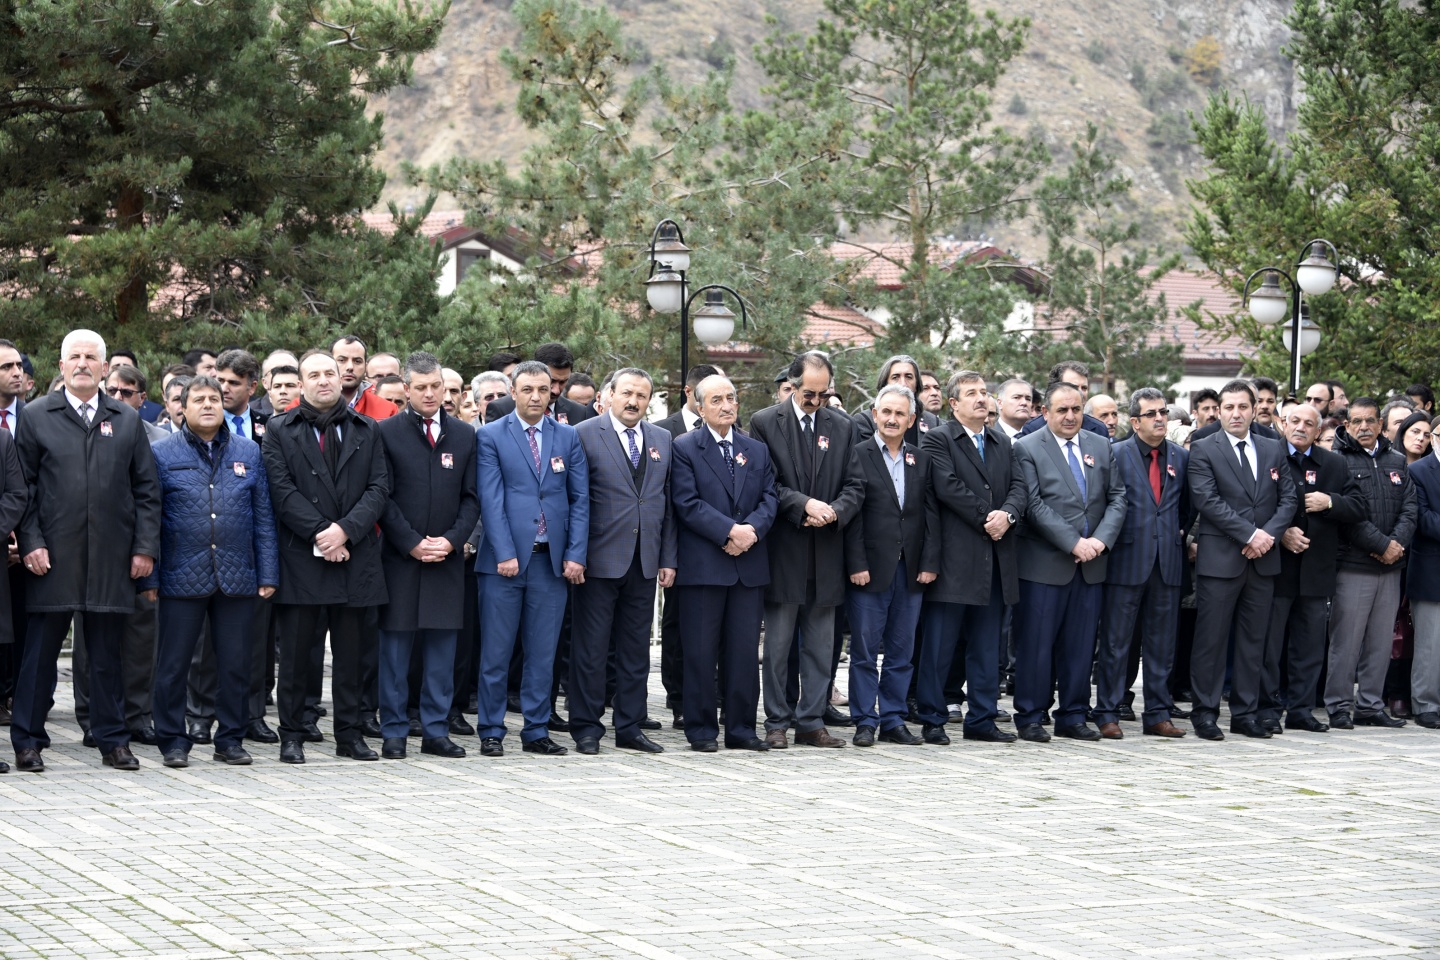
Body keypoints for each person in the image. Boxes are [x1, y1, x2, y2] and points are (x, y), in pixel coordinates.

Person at [11, 329, 161, 773]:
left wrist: (144, 549)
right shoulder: (37, 416)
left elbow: (147, 491)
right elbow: (24, 491)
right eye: (73, 357)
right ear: (61, 367)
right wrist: (32, 543)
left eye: (90, 357)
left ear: (103, 367)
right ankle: (28, 740)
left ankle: (113, 740)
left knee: (107, 656)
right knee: (39, 656)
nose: (81, 363)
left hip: (113, 558)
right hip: (52, 559)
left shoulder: (126, 419)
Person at [263, 350, 391, 763]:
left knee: (354, 657)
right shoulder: (280, 429)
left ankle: (350, 736)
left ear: (342, 379)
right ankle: (293, 734)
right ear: (301, 384)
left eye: (329, 374)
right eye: (313, 374)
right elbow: (281, 492)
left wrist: (344, 532)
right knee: (299, 655)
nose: (323, 381)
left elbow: (378, 488)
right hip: (303, 557)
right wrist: (322, 535)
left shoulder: (367, 428)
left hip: (356, 556)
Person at [143, 376, 278, 767]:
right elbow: (149, 517)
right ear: (181, 408)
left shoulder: (249, 452)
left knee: (236, 664)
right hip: (179, 574)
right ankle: (172, 740)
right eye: (198, 399)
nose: (207, 405)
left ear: (224, 405)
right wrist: (149, 577)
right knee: (173, 665)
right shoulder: (162, 453)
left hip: (236, 574)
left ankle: (231, 739)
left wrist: (267, 573)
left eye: (214, 399)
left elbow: (263, 517)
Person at [749, 352, 864, 749]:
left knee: (820, 646)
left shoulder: (843, 426)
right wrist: (804, 506)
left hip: (828, 549)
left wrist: (833, 511)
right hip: (785, 550)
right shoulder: (765, 422)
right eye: (808, 392)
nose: (815, 400)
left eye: (823, 392)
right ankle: (777, 722)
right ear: (792, 385)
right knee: (778, 647)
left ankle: (812, 721)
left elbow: (856, 484)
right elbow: (765, 484)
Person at [475, 360, 589, 757]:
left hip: (550, 563)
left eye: (543, 389)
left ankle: (536, 730)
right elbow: (490, 499)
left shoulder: (568, 436)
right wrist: (505, 552)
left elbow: (579, 499)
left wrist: (575, 554)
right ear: (514, 391)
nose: (537, 396)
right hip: (502, 564)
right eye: (528, 389)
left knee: (543, 653)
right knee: (497, 652)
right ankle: (491, 729)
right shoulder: (491, 436)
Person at [375, 353, 480, 760]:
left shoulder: (465, 435)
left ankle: (436, 730)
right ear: (406, 389)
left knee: (441, 650)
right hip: (401, 558)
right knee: (396, 649)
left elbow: (472, 498)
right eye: (421, 387)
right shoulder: (384, 432)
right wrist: (411, 542)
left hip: (447, 559)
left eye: (436, 385)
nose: (431, 393)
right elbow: (381, 495)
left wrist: (452, 541)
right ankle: (395, 732)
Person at [1011, 381, 1127, 742]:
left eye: (1076, 409)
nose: (1070, 416)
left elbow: (1118, 498)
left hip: (1091, 564)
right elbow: (1032, 504)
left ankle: (1073, 714)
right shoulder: (1027, 448)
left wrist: (1100, 542)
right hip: (1045, 565)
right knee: (1036, 645)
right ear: (1044, 412)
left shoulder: (1101, 446)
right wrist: (1073, 542)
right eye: (1062, 409)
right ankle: (1030, 715)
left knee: (1080, 647)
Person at [569, 368, 677, 754]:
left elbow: (666, 504)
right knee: (591, 649)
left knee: (636, 651)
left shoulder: (662, 438)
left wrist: (668, 558)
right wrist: (575, 555)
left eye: (642, 395)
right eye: (627, 393)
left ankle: (630, 725)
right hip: (596, 561)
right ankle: (585, 726)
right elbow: (576, 501)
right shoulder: (582, 435)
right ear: (609, 394)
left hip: (644, 561)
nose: (633, 401)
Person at [670, 374, 778, 752]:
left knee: (744, 653)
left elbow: (770, 498)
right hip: (704, 567)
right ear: (700, 407)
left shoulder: (756, 449)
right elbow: (687, 503)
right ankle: (700, 730)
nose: (726, 405)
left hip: (748, 566)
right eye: (716, 400)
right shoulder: (684, 447)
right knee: (700, 651)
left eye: (731, 398)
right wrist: (730, 531)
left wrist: (750, 531)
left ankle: (742, 729)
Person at [916, 372, 1026, 744]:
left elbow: (1019, 487)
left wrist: (1007, 514)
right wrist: (988, 517)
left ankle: (982, 718)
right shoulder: (938, 439)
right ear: (953, 404)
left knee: (986, 647)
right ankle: (932, 717)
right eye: (972, 394)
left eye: (984, 392)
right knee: (940, 646)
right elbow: (948, 487)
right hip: (953, 561)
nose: (982, 399)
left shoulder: (1001, 442)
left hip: (995, 561)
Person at [1187, 379, 1298, 740]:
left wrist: (1267, 536)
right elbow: (1207, 500)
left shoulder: (1271, 448)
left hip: (1263, 560)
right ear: (1218, 411)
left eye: (1243, 407)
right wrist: (1250, 534)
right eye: (1229, 407)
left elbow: (1288, 499)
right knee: (1211, 641)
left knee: (1254, 641)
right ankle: (1204, 713)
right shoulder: (1204, 447)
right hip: (1221, 560)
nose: (1236, 414)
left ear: (1254, 410)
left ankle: (1245, 713)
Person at [844, 385, 939, 746]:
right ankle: (865, 720)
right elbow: (851, 515)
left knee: (902, 650)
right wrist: (856, 562)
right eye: (886, 412)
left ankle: (894, 719)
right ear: (874, 414)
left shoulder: (921, 459)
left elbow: (931, 515)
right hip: (869, 568)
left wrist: (929, 562)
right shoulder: (857, 454)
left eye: (900, 413)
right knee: (865, 651)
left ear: (912, 419)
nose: (892, 419)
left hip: (911, 569)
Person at [1095, 388, 1190, 739]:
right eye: (1151, 414)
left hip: (1167, 563)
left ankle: (1158, 714)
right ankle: (1107, 711)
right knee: (1117, 643)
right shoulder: (1115, 453)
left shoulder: (1180, 457)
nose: (1160, 418)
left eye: (1163, 412)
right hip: (1125, 560)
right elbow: (1106, 502)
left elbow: (1186, 507)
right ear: (1134, 421)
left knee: (1162, 644)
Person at [1265, 401, 1365, 733]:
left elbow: (1358, 506)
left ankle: (1301, 709)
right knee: (1270, 644)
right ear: (1282, 423)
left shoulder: (1334, 464)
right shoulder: (1268, 456)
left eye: (1309, 423)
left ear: (1318, 430)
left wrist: (1330, 501)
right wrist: (1281, 534)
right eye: (1294, 421)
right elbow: (1252, 505)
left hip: (1316, 569)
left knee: (1309, 646)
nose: (1301, 427)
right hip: (1276, 568)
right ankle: (1267, 708)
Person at [1325, 397, 1417, 728]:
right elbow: (1345, 515)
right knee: (1346, 641)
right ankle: (1338, 705)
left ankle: (1370, 704)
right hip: (1353, 564)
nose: (1364, 427)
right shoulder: (1336, 462)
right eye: (1357, 421)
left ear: (1381, 424)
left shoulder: (1397, 460)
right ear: (1346, 425)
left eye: (1370, 421)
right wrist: (1381, 544)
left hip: (1390, 567)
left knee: (1380, 641)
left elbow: (1410, 507)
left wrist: (1395, 545)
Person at [654, 363, 721, 726]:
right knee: (677, 625)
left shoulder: (731, 431)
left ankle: (713, 693)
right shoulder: (664, 432)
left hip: (721, 548)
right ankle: (677, 697)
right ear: (691, 394)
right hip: (678, 544)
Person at [1406, 415, 1440, 729]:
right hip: (1432, 569)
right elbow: (1424, 520)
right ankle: (1426, 705)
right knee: (1430, 644)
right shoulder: (1417, 471)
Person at [482, 342, 596, 426]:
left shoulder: (578, 412)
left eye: (563, 382)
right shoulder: (501, 409)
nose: (556, 390)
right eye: (552, 381)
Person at [853, 355, 939, 444]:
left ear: (917, 384)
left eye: (908, 377)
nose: (902, 383)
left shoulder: (934, 423)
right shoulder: (865, 421)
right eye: (895, 377)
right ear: (884, 384)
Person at [1018, 361, 1111, 439]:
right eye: (1073, 387)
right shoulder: (1033, 430)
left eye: (1084, 388)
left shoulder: (1099, 430)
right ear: (1054, 389)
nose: (1080, 393)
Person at [252, 349, 299, 417]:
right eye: (275, 371)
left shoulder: (312, 412)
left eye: (290, 370)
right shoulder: (250, 413)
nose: (283, 375)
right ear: (264, 382)